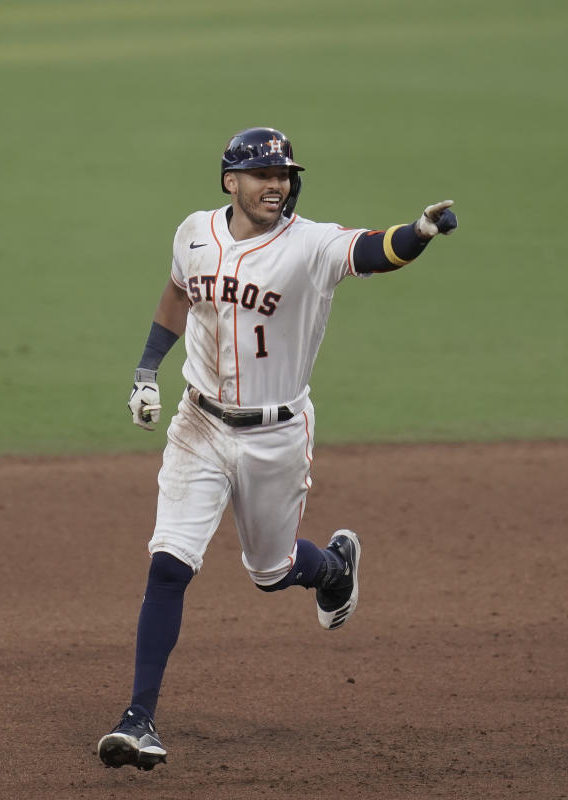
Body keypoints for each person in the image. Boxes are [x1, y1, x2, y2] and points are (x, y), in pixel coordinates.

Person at [97, 126, 458, 769]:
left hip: (277, 434)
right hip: (198, 425)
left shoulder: (309, 245)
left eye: (285, 175)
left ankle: (332, 568)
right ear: (231, 181)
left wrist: (419, 233)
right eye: (263, 175)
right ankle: (139, 719)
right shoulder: (193, 232)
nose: (277, 185)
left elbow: (373, 251)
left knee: (269, 571)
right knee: (169, 565)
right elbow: (180, 291)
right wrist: (148, 369)